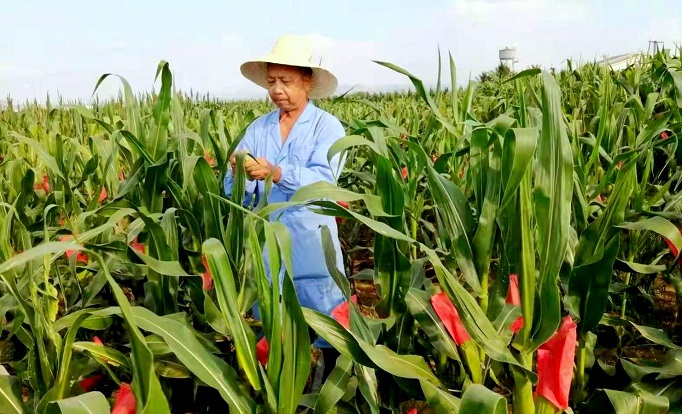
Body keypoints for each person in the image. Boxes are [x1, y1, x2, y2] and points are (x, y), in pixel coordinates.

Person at [223, 34, 345, 378]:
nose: (277, 89)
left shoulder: (327, 127)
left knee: (325, 321)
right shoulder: (258, 128)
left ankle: (329, 390)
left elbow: (325, 179)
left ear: (307, 81)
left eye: (286, 81)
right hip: (267, 243)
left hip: (311, 240)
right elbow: (236, 191)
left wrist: (277, 173)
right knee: (271, 317)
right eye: (272, 81)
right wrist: (238, 171)